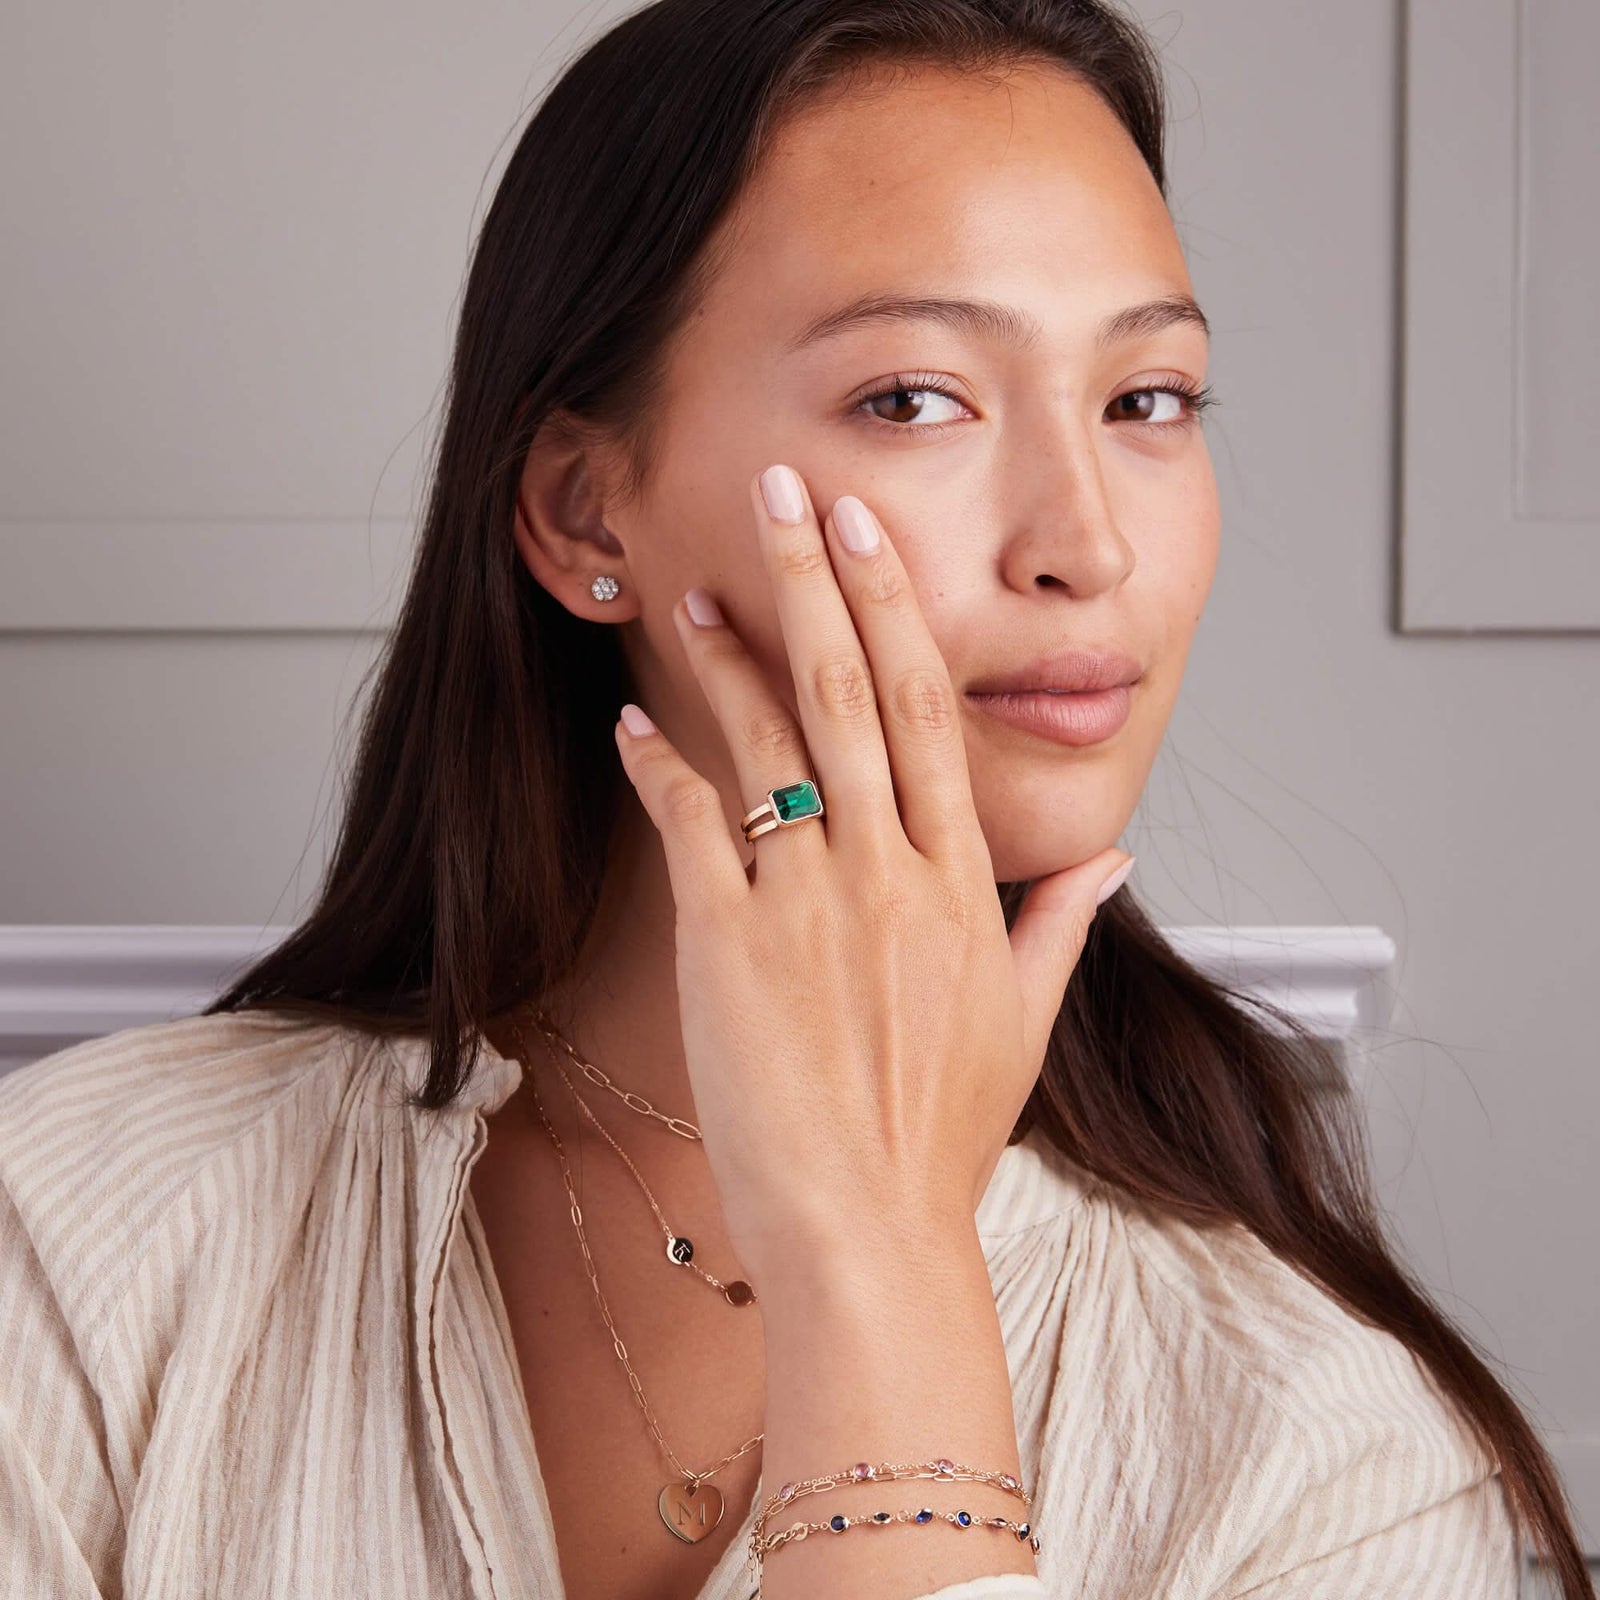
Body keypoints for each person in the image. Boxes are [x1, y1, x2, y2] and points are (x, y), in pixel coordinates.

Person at [0, 1, 1591, 1597]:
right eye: (914, 398)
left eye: (1148, 400)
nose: (1087, 545)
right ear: (581, 508)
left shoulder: (1327, 1455)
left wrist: (881, 1266)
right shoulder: (82, 1244)